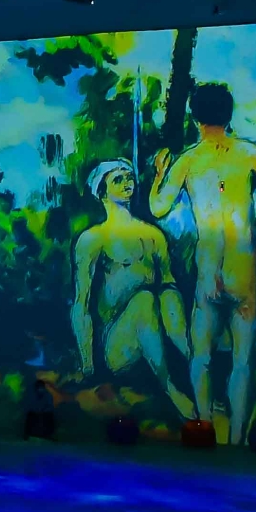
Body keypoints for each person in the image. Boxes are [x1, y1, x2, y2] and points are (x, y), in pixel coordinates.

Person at [150, 81, 256, 445]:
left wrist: (159, 174)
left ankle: (203, 425)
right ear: (229, 115)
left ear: (195, 117)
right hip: (241, 266)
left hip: (208, 268)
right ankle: (235, 438)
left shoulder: (187, 160)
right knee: (242, 360)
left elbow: (158, 208)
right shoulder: (246, 152)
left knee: (201, 356)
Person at [71, 159, 196, 419]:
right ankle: (171, 389)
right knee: (144, 300)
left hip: (158, 334)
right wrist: (88, 365)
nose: (127, 183)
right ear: (102, 192)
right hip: (116, 348)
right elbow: (81, 304)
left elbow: (169, 286)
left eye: (129, 177)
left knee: (165, 294)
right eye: (118, 180)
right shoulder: (93, 239)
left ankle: (194, 363)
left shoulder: (153, 235)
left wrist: (180, 335)